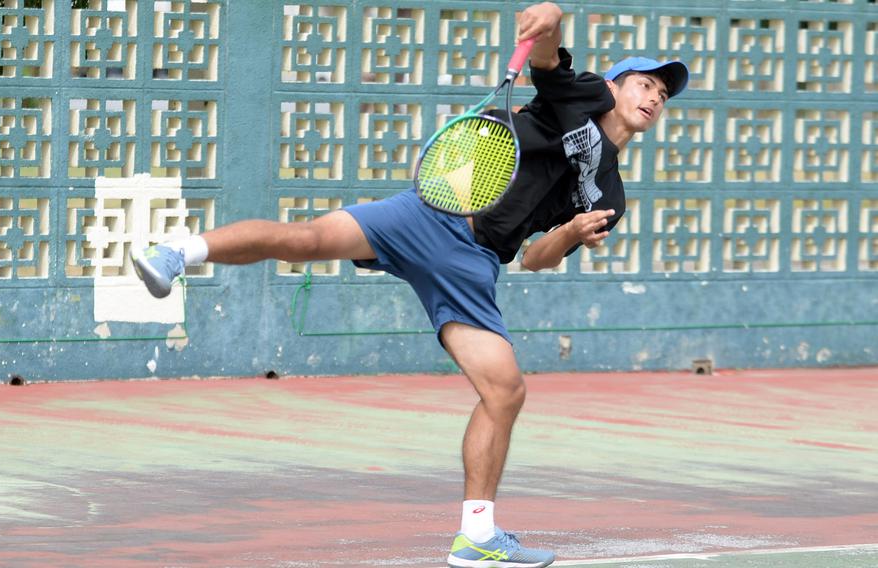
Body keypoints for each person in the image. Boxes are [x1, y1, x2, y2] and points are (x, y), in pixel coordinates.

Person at [130, 3, 688, 567]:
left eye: (663, 96)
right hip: (431, 215)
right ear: (616, 86)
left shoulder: (608, 198)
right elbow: (546, 60)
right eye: (645, 84)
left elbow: (538, 260)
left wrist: (568, 231)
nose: (653, 98)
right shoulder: (585, 96)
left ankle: (476, 536)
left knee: (505, 390)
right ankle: (178, 252)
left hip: (473, 263)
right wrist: (552, 18)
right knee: (305, 240)